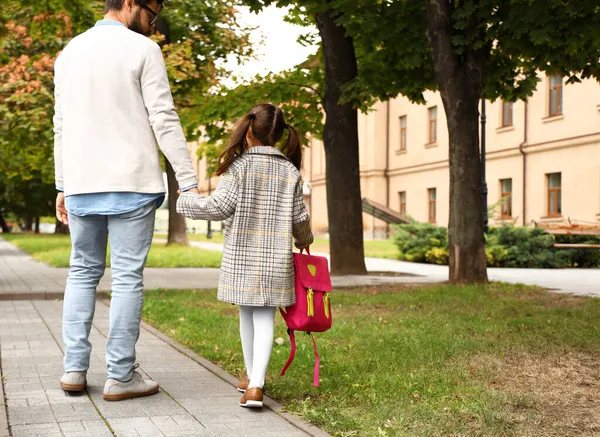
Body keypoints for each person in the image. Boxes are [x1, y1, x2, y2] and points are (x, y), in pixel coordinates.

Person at [53, 0, 200, 401]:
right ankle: (120, 376)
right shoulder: (143, 50)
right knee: (126, 278)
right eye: (153, 11)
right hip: (131, 181)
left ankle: (74, 371)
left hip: (82, 182)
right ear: (132, 3)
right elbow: (163, 117)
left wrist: (62, 184)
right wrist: (188, 182)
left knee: (82, 272)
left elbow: (61, 124)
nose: (155, 21)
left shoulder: (68, 53)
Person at [177, 103, 314, 408]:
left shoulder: (237, 167)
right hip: (275, 259)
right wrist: (306, 239)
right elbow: (299, 216)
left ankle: (255, 382)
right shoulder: (290, 171)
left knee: (247, 315)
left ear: (249, 130)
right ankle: (254, 382)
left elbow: (218, 207)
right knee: (264, 317)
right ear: (279, 135)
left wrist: (185, 201)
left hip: (242, 256)